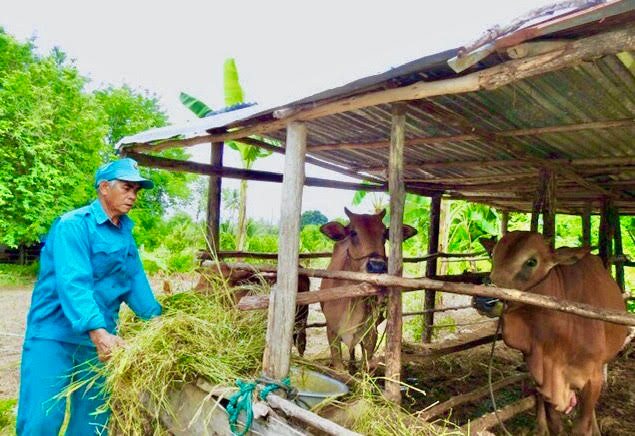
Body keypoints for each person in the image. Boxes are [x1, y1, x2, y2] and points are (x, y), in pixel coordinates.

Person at [16, 158, 162, 435]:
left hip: (99, 339)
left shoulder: (124, 234)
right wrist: (99, 334)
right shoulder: (73, 225)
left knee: (92, 420)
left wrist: (159, 322)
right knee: (43, 417)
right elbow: (74, 283)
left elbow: (134, 281)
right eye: (127, 187)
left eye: (136, 190)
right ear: (104, 187)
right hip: (55, 334)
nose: (133, 196)